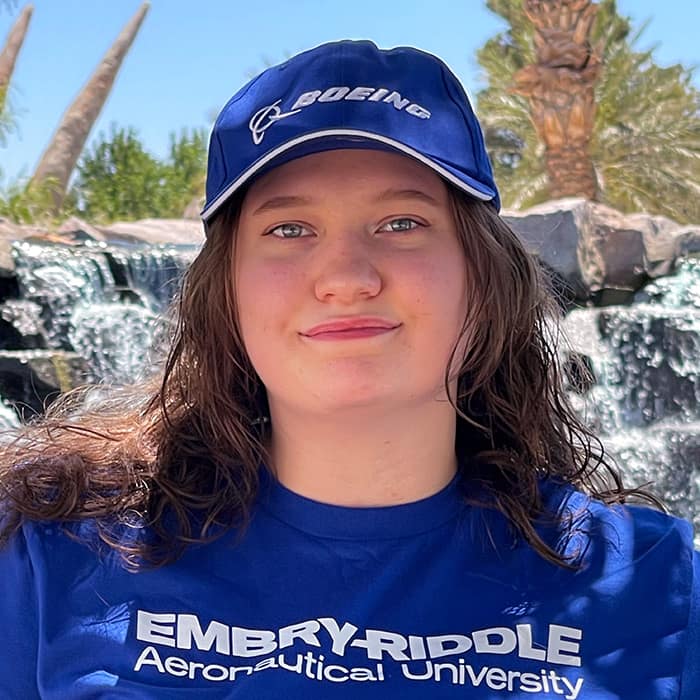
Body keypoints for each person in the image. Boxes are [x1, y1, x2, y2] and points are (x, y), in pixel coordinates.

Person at [0, 39, 697, 699]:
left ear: (483, 277)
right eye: (288, 229)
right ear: (227, 289)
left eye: (401, 223)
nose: (345, 277)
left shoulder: (655, 578)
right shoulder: (48, 552)